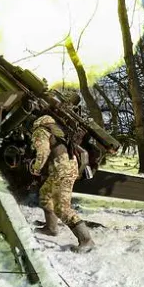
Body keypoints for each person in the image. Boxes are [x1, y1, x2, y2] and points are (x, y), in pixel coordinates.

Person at [29, 105, 94, 253]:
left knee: (62, 207)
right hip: (67, 167)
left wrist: (36, 168)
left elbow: (43, 152)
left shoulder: (41, 131)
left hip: (62, 171)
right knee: (45, 194)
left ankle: (86, 241)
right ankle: (51, 228)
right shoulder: (56, 128)